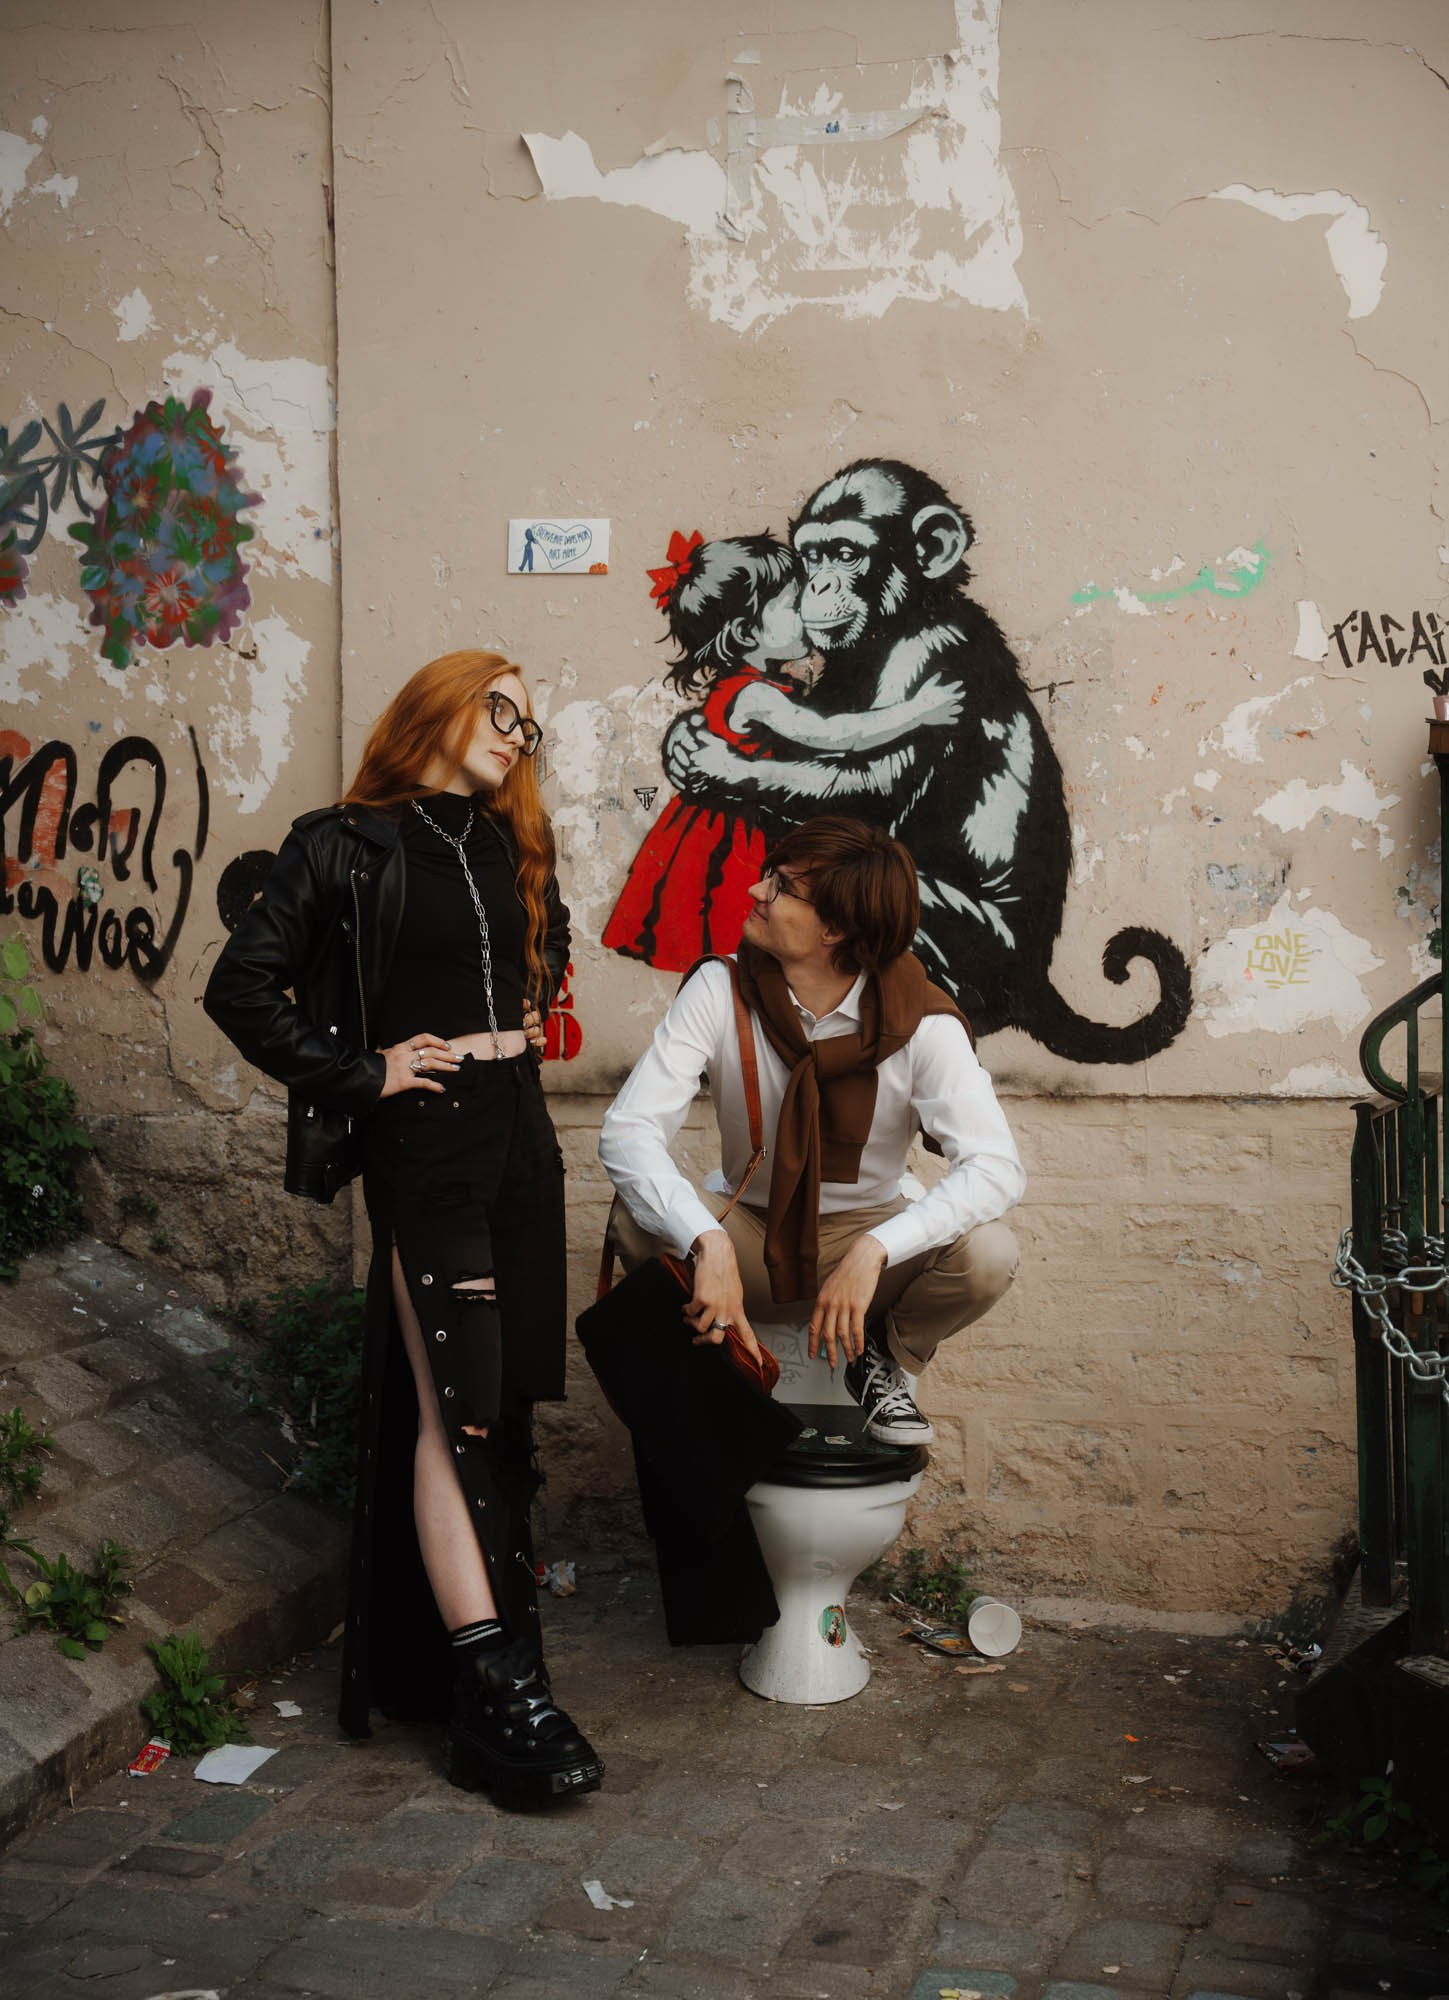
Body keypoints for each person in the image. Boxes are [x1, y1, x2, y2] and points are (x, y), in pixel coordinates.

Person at [203, 650, 602, 1808]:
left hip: (520, 1129)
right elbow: (242, 986)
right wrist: (362, 1071)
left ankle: (488, 1672)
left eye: (530, 723)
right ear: (440, 703)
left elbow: (539, 952)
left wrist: (526, 1014)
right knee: (456, 1403)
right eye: (501, 707)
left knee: (506, 1399)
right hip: (425, 1137)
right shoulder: (343, 842)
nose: (518, 733)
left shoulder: (510, 844)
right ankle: (496, 1687)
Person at [599, 815, 1023, 1446]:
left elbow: (996, 1168)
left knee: (990, 1254)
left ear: (836, 927)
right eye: (769, 875)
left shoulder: (922, 1023)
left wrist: (877, 1248)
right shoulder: (721, 988)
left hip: (865, 1239)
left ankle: (881, 1358)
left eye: (782, 886)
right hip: (752, 1233)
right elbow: (628, 1131)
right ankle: (717, 1366)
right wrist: (706, 1241)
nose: (757, 891)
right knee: (635, 1220)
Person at [604, 533, 960, 971]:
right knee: (743, 947)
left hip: (719, 829)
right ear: (746, 632)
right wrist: (919, 712)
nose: (806, 608)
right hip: (736, 840)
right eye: (792, 604)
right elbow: (836, 734)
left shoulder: (752, 685)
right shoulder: (757, 695)